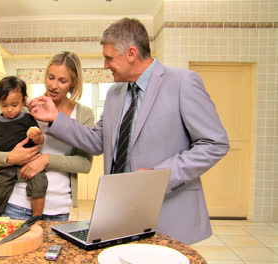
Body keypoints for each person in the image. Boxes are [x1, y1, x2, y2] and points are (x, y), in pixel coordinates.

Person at [29, 18, 230, 245]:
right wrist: (56, 118)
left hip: (167, 213)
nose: (105, 66)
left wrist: (160, 176)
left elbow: (215, 143)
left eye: (109, 58)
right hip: (119, 213)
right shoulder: (115, 93)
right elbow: (97, 141)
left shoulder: (182, 83)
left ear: (131, 53)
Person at [0, 51, 95, 221]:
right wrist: (10, 157)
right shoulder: (25, 109)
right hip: (16, 204)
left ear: (73, 83)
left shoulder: (83, 114)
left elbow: (85, 164)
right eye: (50, 77)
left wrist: (46, 159)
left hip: (58, 208)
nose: (54, 86)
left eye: (62, 81)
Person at [0, 76, 47, 217]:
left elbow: (40, 140)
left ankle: (37, 217)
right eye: (4, 105)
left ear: (23, 100)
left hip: (29, 164)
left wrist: (38, 137)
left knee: (40, 183)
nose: (9, 110)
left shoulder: (28, 119)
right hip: (6, 167)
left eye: (14, 105)